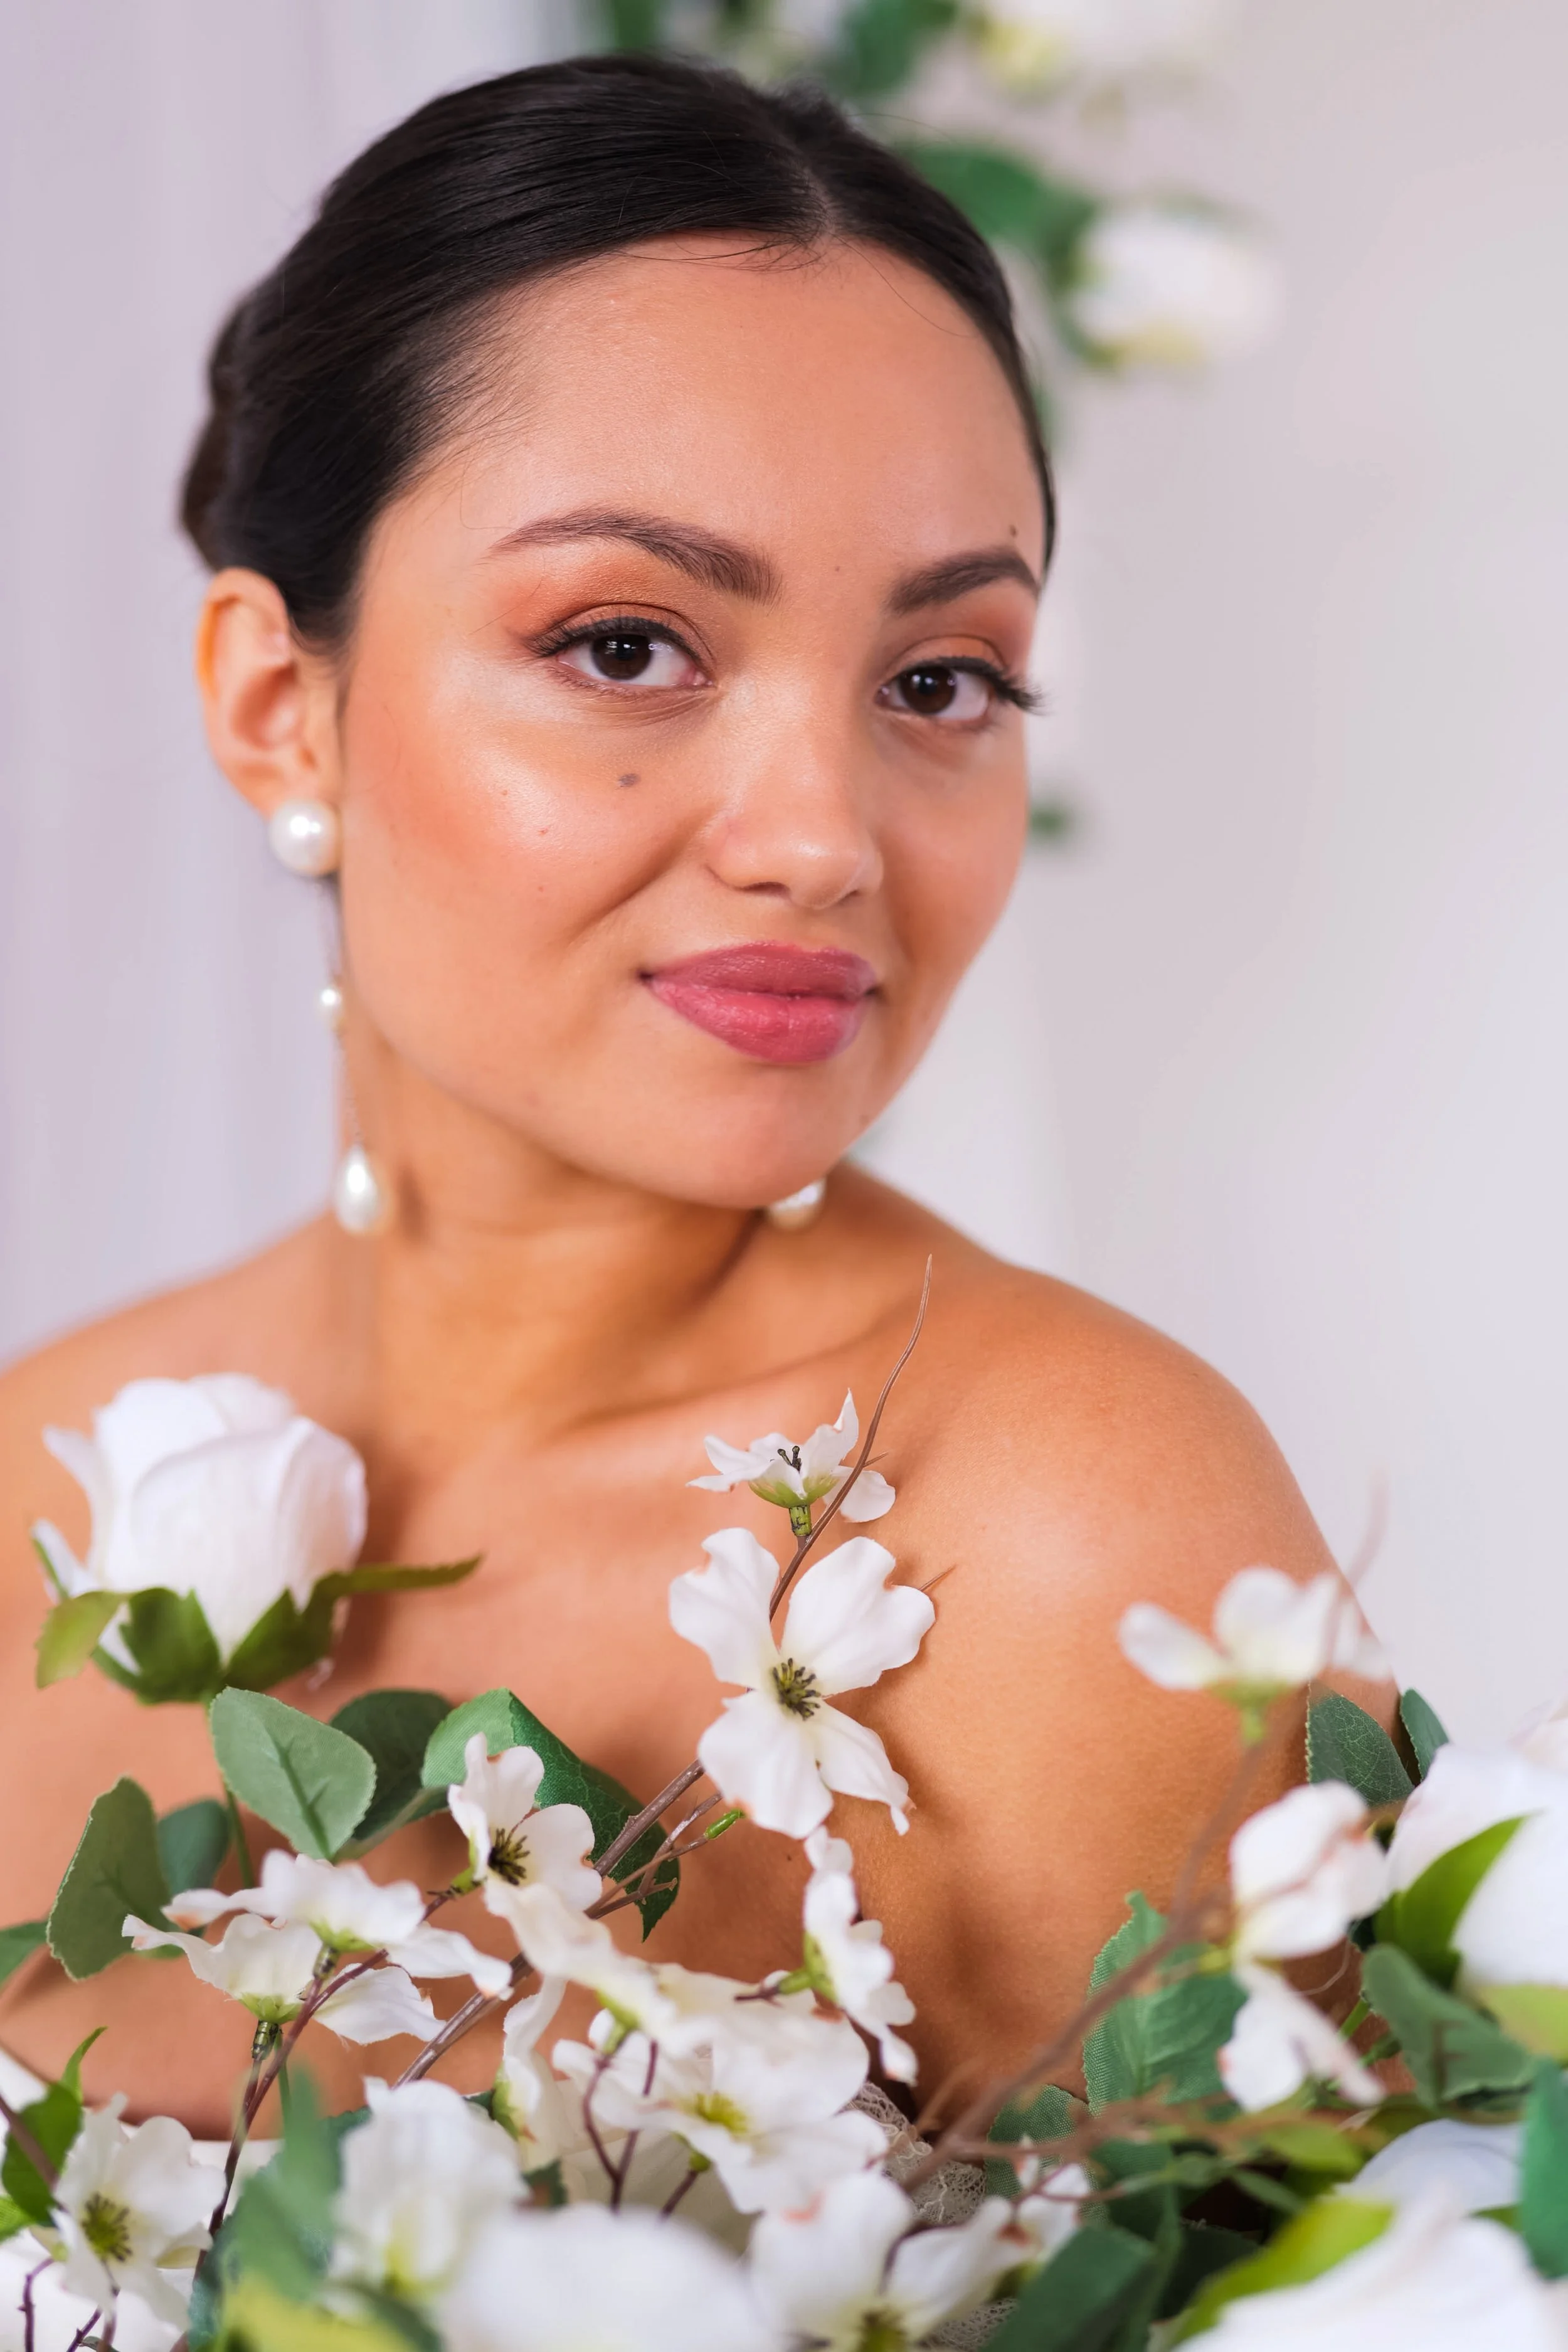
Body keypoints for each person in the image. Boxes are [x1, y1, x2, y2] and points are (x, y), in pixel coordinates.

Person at [0, 53, 1370, 2137]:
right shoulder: (33, 1486)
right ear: (284, 709)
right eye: (628, 644)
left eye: (941, 680)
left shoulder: (1074, 1544)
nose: (820, 835)